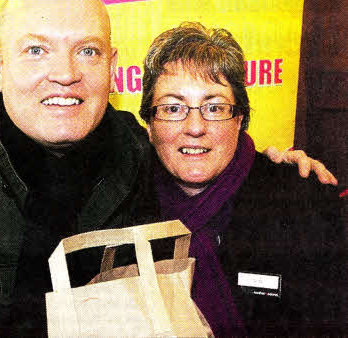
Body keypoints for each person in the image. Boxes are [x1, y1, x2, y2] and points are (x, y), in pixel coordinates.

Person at [0, 0, 336, 337]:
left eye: (87, 51)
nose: (66, 73)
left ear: (111, 67)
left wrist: (278, 166)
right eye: (36, 50)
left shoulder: (134, 154)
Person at [139, 22, 346, 336]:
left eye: (215, 107)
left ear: (240, 119)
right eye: (172, 107)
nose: (195, 126)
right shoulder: (124, 212)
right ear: (150, 124)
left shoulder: (305, 205)